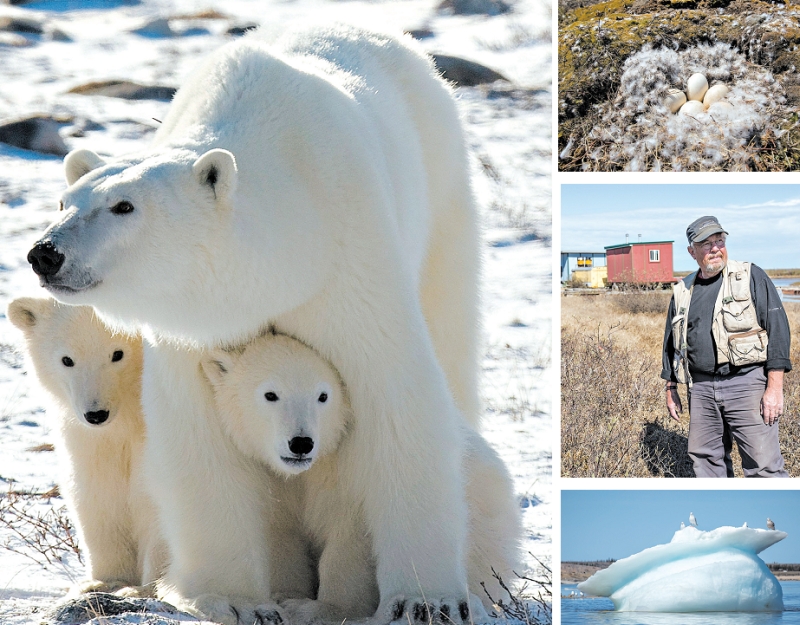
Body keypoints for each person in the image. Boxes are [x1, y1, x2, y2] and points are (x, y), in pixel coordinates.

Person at [661, 216, 791, 478]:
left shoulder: (750, 275)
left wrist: (774, 388)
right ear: (692, 251)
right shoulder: (682, 290)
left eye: (719, 240)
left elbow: (779, 330)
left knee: (763, 465)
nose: (715, 248)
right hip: (700, 390)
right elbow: (671, 345)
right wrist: (671, 387)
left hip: (746, 383)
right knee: (706, 462)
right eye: (706, 244)